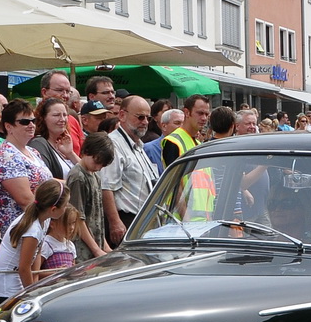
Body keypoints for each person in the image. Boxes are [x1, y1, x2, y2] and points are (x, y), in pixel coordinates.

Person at [0, 179, 63, 304]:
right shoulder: (33, 230)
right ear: (53, 209)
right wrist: (32, 294)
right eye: (65, 205)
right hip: (4, 284)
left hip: (15, 277)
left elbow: (37, 253)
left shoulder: (46, 220)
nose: (66, 208)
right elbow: (24, 268)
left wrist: (36, 283)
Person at [0, 98, 54, 234]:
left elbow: (48, 183)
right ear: (8, 126)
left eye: (33, 121)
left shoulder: (32, 151)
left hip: (40, 224)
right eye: (25, 122)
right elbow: (25, 199)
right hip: (21, 229)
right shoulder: (6, 155)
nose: (31, 125)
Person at [102, 96, 155, 245]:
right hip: (125, 222)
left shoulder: (139, 145)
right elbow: (106, 187)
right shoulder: (113, 144)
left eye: (148, 118)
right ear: (122, 115)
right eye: (140, 117)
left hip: (143, 221)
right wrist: (115, 222)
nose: (144, 122)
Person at [62, 134, 116, 263]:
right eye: (96, 162)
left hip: (95, 244)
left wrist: (105, 247)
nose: (98, 168)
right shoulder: (78, 177)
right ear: (86, 152)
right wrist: (96, 249)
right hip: (82, 248)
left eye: (102, 166)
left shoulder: (95, 176)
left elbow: (96, 217)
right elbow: (78, 217)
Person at [30, 96, 79, 180]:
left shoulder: (62, 146)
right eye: (56, 115)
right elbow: (44, 179)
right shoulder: (38, 144)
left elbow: (88, 171)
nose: (62, 119)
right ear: (42, 118)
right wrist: (73, 185)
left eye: (65, 115)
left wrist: (70, 154)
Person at [159, 95, 211, 168]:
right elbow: (173, 178)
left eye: (207, 114)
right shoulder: (173, 142)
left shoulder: (198, 143)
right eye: (200, 113)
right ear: (186, 112)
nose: (204, 118)